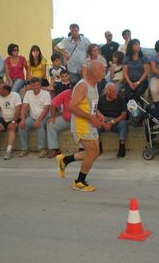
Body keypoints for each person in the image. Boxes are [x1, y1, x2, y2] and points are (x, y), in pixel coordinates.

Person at [55, 61, 105, 192]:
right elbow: (72, 107)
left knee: (95, 152)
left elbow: (89, 103)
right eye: (102, 71)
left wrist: (98, 114)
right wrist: (91, 118)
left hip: (89, 122)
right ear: (94, 73)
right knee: (92, 152)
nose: (104, 74)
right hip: (82, 124)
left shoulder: (94, 84)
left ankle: (65, 160)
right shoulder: (83, 86)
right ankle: (79, 182)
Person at [18, 77, 51, 158]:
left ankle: (42, 149)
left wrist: (39, 120)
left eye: (37, 85)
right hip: (32, 117)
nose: (35, 87)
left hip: (45, 117)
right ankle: (24, 149)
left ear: (40, 85)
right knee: (21, 126)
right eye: (33, 85)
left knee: (39, 126)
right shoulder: (28, 93)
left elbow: (46, 110)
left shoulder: (46, 94)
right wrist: (22, 120)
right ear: (31, 86)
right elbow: (24, 108)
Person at [0, 83, 22, 160]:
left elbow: (18, 109)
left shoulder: (15, 95)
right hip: (4, 118)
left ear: (5, 90)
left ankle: (8, 151)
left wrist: (13, 121)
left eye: (0, 89)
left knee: (12, 128)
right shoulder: (0, 96)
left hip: (14, 118)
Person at [97, 82, 128, 157]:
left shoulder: (120, 99)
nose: (116, 93)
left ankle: (122, 147)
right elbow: (96, 112)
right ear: (107, 92)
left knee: (123, 123)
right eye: (113, 91)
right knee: (94, 124)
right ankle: (98, 145)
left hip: (116, 121)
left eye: (116, 90)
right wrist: (103, 123)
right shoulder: (101, 99)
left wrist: (112, 122)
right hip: (104, 120)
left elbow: (124, 115)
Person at [46, 87, 72, 158]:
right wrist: (53, 117)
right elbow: (53, 104)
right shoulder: (66, 92)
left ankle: (82, 150)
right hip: (66, 119)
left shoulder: (84, 93)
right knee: (51, 124)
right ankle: (55, 149)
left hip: (79, 121)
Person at [123, 39, 150, 104]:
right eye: (136, 44)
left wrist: (138, 83)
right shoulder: (126, 58)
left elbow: (146, 72)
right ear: (131, 46)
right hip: (130, 81)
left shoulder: (143, 57)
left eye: (139, 44)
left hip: (142, 81)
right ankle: (130, 112)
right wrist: (130, 83)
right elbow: (125, 73)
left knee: (138, 94)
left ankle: (137, 112)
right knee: (127, 96)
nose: (138, 46)